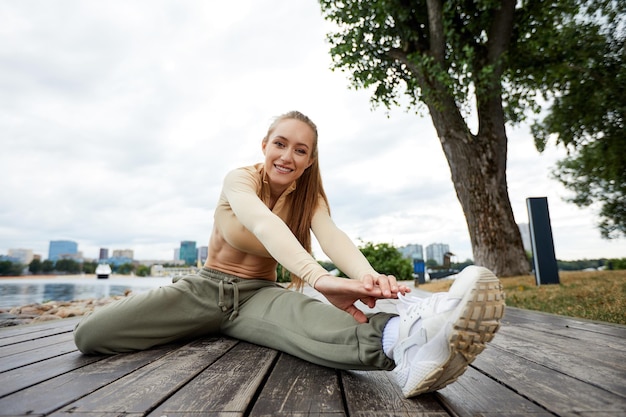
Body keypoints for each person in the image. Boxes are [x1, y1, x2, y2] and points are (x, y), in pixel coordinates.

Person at [74, 110, 505, 398]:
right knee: (90, 335)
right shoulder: (239, 181)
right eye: (280, 144)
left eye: (300, 150)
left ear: (310, 159)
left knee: (313, 324)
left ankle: (410, 343)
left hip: (259, 294)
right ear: (264, 144)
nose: (287, 155)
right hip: (204, 290)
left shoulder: (309, 196)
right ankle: (199, 325)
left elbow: (332, 236)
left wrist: (371, 279)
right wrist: (320, 279)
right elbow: (265, 225)